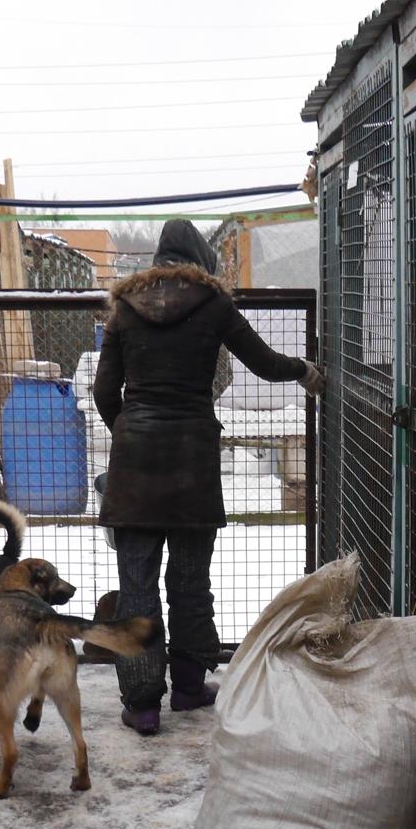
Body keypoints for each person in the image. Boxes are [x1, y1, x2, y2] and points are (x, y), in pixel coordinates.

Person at [93, 220, 325, 735]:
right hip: (192, 461)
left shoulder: (124, 310)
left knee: (137, 586)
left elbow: (104, 392)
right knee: (190, 581)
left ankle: (143, 704)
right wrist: (305, 371)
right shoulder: (214, 304)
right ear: (201, 259)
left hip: (136, 467)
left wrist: (130, 434)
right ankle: (191, 687)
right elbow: (262, 363)